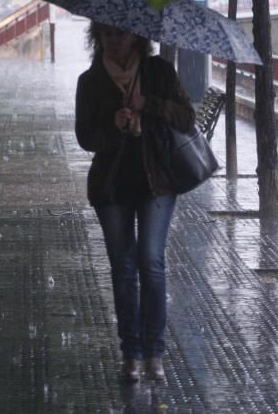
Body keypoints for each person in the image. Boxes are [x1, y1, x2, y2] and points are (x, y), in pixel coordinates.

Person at [73, 22, 195, 383]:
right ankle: (132, 353)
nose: (114, 41)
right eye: (107, 35)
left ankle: (155, 351)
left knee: (151, 262)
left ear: (137, 37)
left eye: (120, 34)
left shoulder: (159, 72)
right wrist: (114, 124)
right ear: (98, 38)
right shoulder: (90, 81)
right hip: (112, 186)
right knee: (123, 269)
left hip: (157, 181)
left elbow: (187, 118)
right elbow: (85, 137)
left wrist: (150, 105)